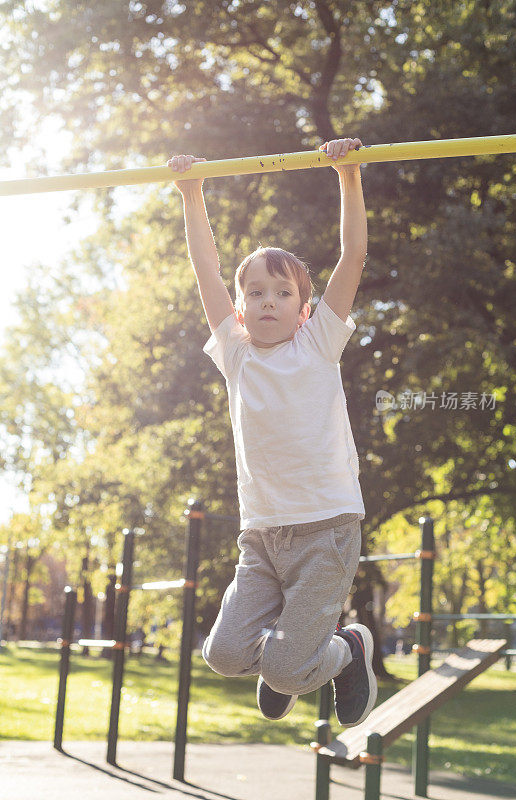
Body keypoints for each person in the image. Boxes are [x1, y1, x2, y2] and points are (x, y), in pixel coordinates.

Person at [167, 138, 377, 727]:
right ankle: (292, 658)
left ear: (304, 310)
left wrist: (349, 176)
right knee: (223, 655)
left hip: (326, 530)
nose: (268, 302)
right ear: (238, 308)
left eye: (284, 293)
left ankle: (345, 649)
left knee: (284, 669)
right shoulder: (235, 353)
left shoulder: (318, 343)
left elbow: (353, 258)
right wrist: (192, 195)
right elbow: (204, 269)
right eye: (255, 292)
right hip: (261, 538)